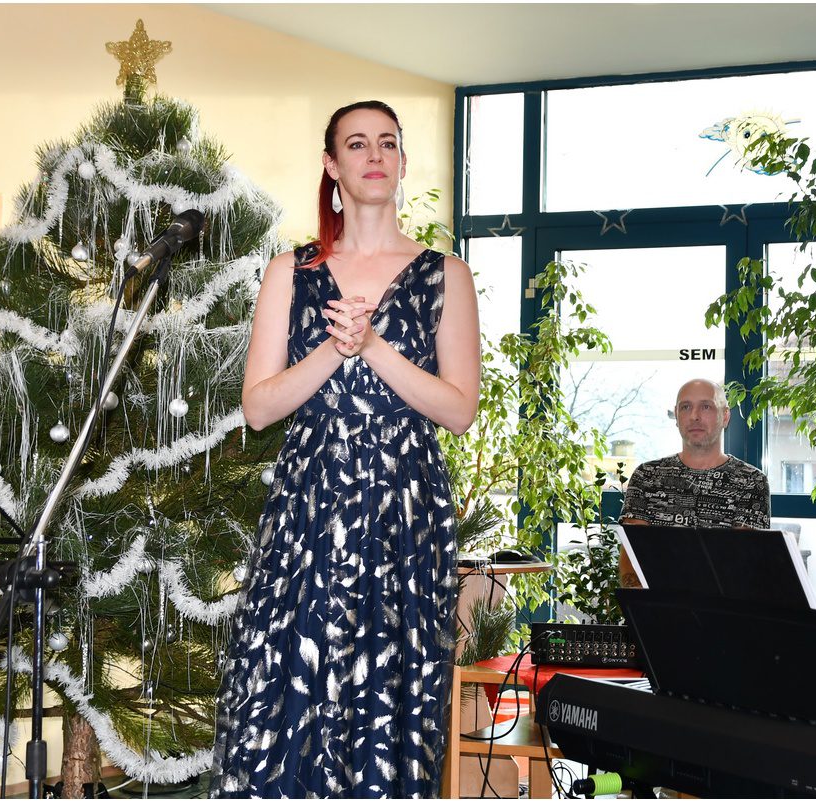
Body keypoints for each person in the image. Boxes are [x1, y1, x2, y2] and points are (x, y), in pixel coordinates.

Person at [210, 100, 481, 797]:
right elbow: (259, 406)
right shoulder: (290, 271)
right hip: (311, 503)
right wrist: (335, 349)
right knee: (288, 684)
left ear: (403, 161)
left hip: (405, 510)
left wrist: (374, 346)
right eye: (357, 144)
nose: (375, 156)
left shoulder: (446, 274)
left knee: (391, 690)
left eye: (388, 143)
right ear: (332, 164)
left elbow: (459, 411)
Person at [618, 378, 770, 588]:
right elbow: (631, 556)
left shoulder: (751, 481)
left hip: (722, 607)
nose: (694, 416)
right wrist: (641, 602)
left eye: (706, 407)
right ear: (676, 415)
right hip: (656, 606)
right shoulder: (646, 476)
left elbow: (744, 565)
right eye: (686, 407)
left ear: (725, 416)